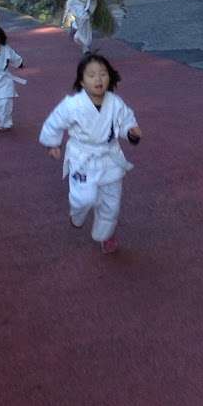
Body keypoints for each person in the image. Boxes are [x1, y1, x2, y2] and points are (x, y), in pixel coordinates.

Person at [39, 52, 142, 254]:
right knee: (84, 199)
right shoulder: (73, 105)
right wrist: (53, 144)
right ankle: (76, 214)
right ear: (82, 81)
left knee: (111, 203)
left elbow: (125, 121)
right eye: (92, 75)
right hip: (83, 159)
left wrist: (131, 132)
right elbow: (54, 122)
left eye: (103, 74)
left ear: (110, 77)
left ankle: (105, 234)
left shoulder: (115, 103)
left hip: (109, 158)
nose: (98, 79)